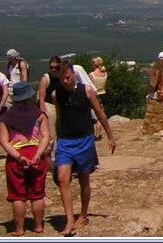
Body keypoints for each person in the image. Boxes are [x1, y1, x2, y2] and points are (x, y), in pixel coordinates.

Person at [53, 60, 116, 237]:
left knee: (84, 180)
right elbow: (58, 118)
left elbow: (99, 113)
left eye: (67, 77)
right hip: (65, 141)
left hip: (84, 140)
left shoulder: (86, 91)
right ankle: (69, 220)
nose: (65, 81)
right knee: (63, 178)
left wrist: (110, 136)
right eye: (62, 78)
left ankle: (83, 214)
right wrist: (55, 141)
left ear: (74, 74)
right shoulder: (56, 94)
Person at [0, 81, 51, 236]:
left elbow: (4, 141)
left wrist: (18, 156)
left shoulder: (5, 118)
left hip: (16, 159)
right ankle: (38, 226)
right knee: (37, 194)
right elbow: (46, 136)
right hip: (35, 155)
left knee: (17, 195)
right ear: (29, 96)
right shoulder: (39, 115)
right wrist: (37, 155)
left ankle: (20, 229)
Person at [89, 57, 108, 139]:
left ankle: (95, 135)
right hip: (103, 94)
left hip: (94, 95)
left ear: (94, 64)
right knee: (100, 115)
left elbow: (88, 86)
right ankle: (98, 134)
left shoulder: (91, 75)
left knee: (94, 117)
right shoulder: (105, 74)